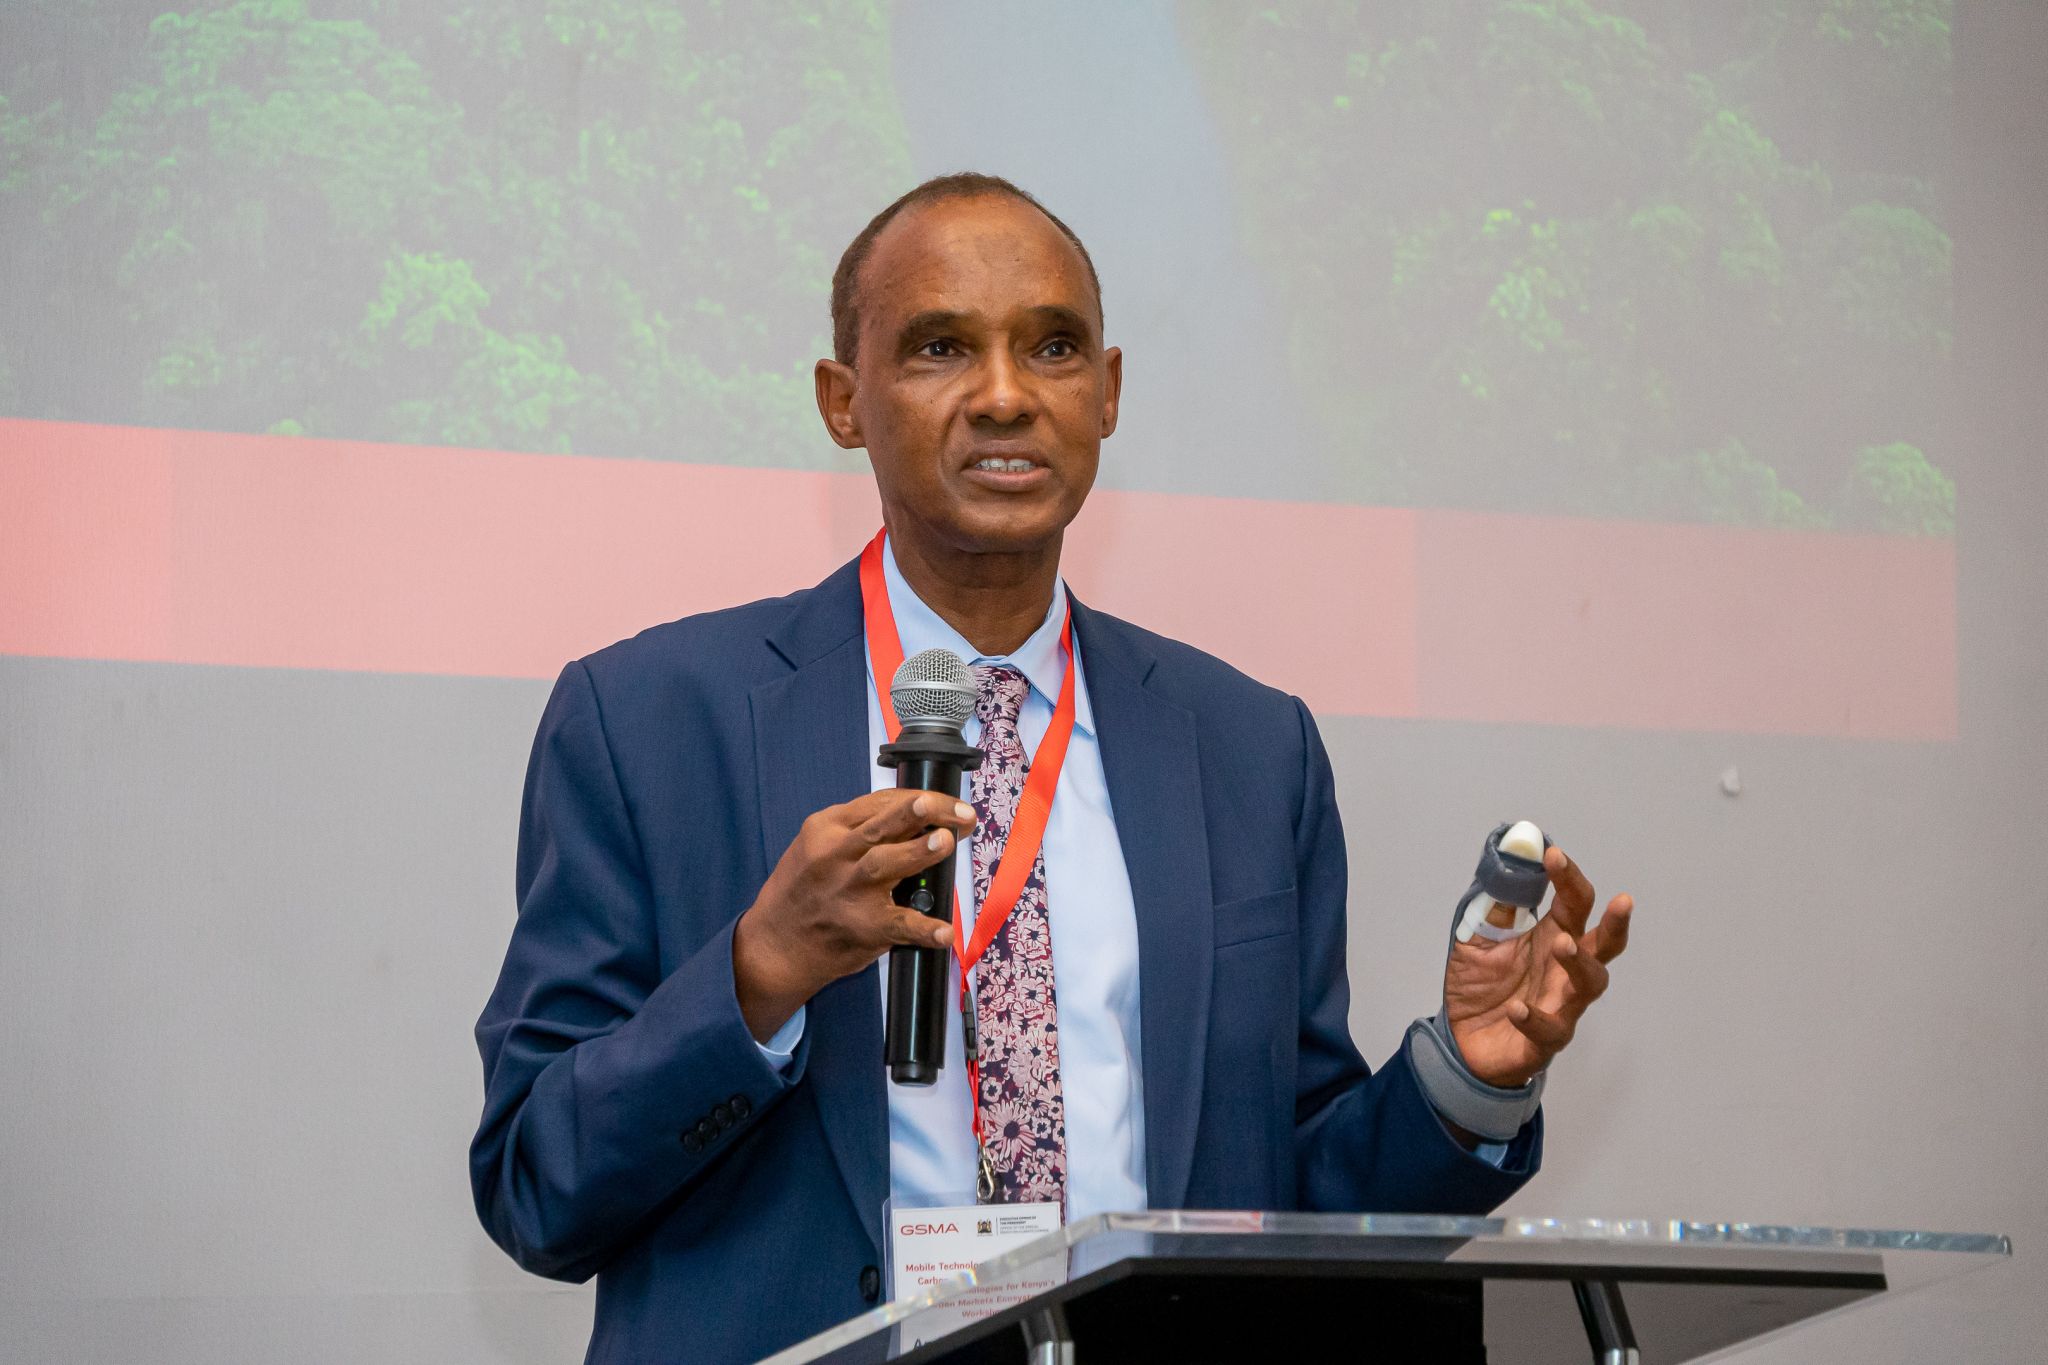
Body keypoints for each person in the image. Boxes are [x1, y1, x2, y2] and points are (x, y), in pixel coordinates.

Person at [470, 173, 1634, 1365]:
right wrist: (758, 973)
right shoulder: (647, 721)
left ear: (1107, 392)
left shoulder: (1246, 745)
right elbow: (536, 1185)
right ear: (842, 401)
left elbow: (1282, 1203)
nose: (1004, 396)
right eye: (938, 347)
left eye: (1053, 348)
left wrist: (1463, 1083)